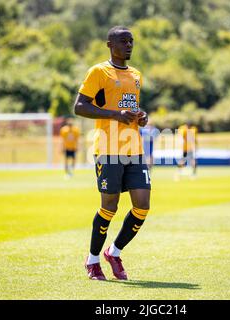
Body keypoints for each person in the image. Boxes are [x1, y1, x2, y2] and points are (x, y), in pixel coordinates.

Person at [74, 26, 150, 281]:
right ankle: (93, 260)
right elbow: (80, 106)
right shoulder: (98, 72)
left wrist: (141, 116)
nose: (129, 45)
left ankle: (114, 252)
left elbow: (129, 107)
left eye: (131, 41)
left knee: (142, 205)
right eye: (123, 41)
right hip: (108, 149)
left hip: (134, 149)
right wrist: (115, 115)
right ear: (110, 44)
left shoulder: (136, 75)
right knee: (110, 206)